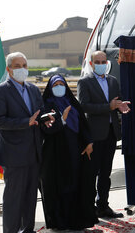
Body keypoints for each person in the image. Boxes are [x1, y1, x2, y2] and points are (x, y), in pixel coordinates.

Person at [0, 52, 55, 233]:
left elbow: (38, 113)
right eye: (17, 66)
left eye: (25, 65)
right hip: (14, 154)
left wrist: (45, 118)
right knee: (13, 199)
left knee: (30, 198)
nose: (22, 69)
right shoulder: (0, 91)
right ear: (9, 70)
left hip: (34, 151)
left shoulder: (33, 89)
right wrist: (25, 122)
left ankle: (27, 230)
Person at [40, 75, 99, 230]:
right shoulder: (46, 105)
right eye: (55, 85)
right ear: (50, 88)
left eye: (62, 84)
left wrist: (89, 142)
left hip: (75, 151)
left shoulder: (73, 102)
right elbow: (47, 129)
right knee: (59, 186)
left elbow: (83, 125)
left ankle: (76, 219)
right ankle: (60, 222)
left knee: (76, 184)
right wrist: (62, 118)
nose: (59, 87)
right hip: (55, 154)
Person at [77, 51, 131, 218]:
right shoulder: (85, 82)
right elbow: (84, 106)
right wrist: (109, 106)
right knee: (91, 173)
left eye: (103, 61)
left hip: (110, 133)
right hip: (94, 135)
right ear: (92, 64)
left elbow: (116, 102)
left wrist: (120, 106)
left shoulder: (112, 81)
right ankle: (88, 207)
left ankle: (103, 206)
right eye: (97, 61)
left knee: (106, 173)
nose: (101, 64)